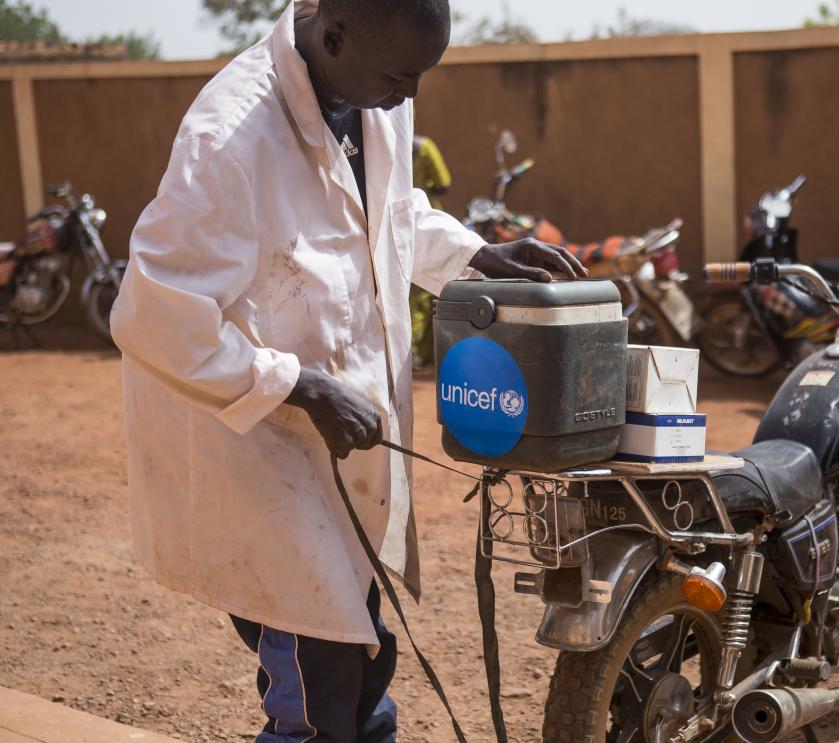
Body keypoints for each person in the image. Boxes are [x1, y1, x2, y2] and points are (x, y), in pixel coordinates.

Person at [109, 1, 586, 741]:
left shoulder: (369, 91)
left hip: (332, 437)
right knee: (319, 670)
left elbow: (387, 212)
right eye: (403, 75)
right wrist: (297, 384)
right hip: (254, 442)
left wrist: (474, 256)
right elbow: (153, 314)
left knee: (357, 648)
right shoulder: (230, 139)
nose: (412, 96)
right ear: (332, 38)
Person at [409, 134, 451, 369]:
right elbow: (443, 183)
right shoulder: (424, 147)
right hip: (425, 223)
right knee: (426, 293)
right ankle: (417, 352)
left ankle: (413, 353)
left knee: (406, 295)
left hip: (391, 221)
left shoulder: (383, 138)